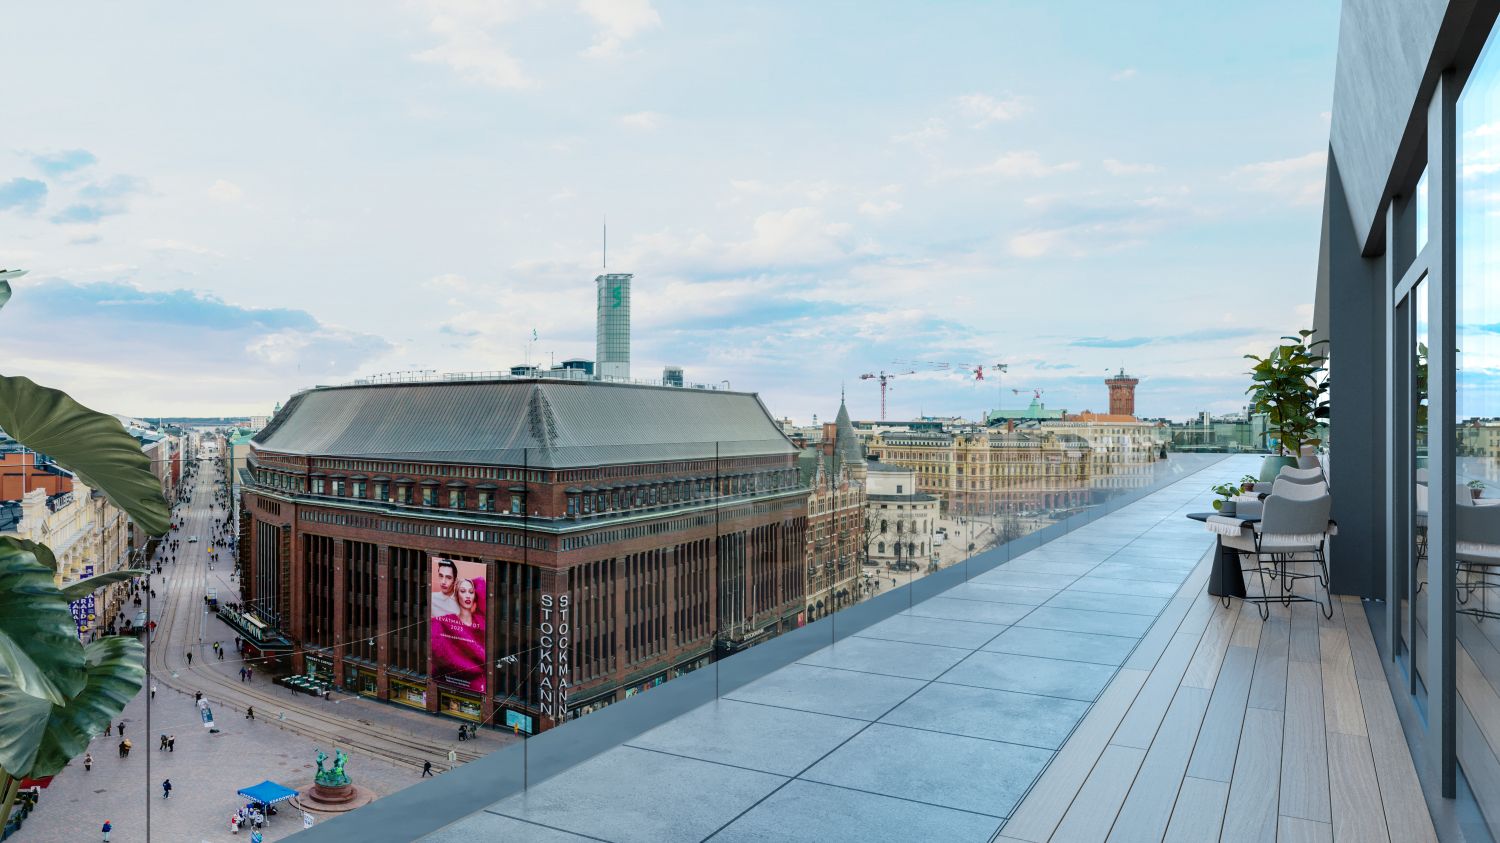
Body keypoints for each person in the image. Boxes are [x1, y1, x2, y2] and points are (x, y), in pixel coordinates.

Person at [431, 576, 487, 692]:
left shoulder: (481, 621)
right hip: (454, 680)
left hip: (481, 682)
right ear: (456, 596)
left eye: (471, 592)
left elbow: (481, 582)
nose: (467, 595)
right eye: (462, 591)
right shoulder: (445, 621)